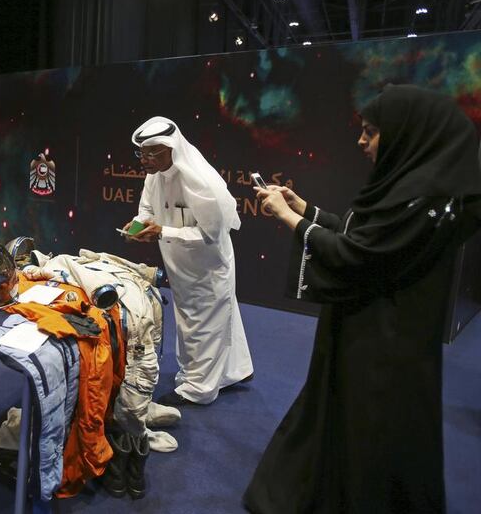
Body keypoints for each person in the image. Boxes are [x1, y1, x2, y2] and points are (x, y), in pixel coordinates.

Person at [244, 85, 481, 513]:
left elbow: (358, 256)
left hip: (383, 350)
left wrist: (289, 218)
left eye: (370, 132)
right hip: (371, 337)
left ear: (407, 134)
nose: (361, 141)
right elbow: (372, 241)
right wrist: (309, 211)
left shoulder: (420, 197)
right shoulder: (411, 190)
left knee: (368, 435)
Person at [123, 116, 254, 405]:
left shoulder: (201, 183)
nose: (144, 160)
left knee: (202, 325)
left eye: (151, 153)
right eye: (141, 154)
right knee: (208, 318)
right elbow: (146, 209)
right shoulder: (154, 176)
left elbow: (211, 233)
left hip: (208, 267)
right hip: (179, 264)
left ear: (171, 149)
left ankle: (197, 390)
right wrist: (138, 226)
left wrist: (163, 231)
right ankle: (236, 370)